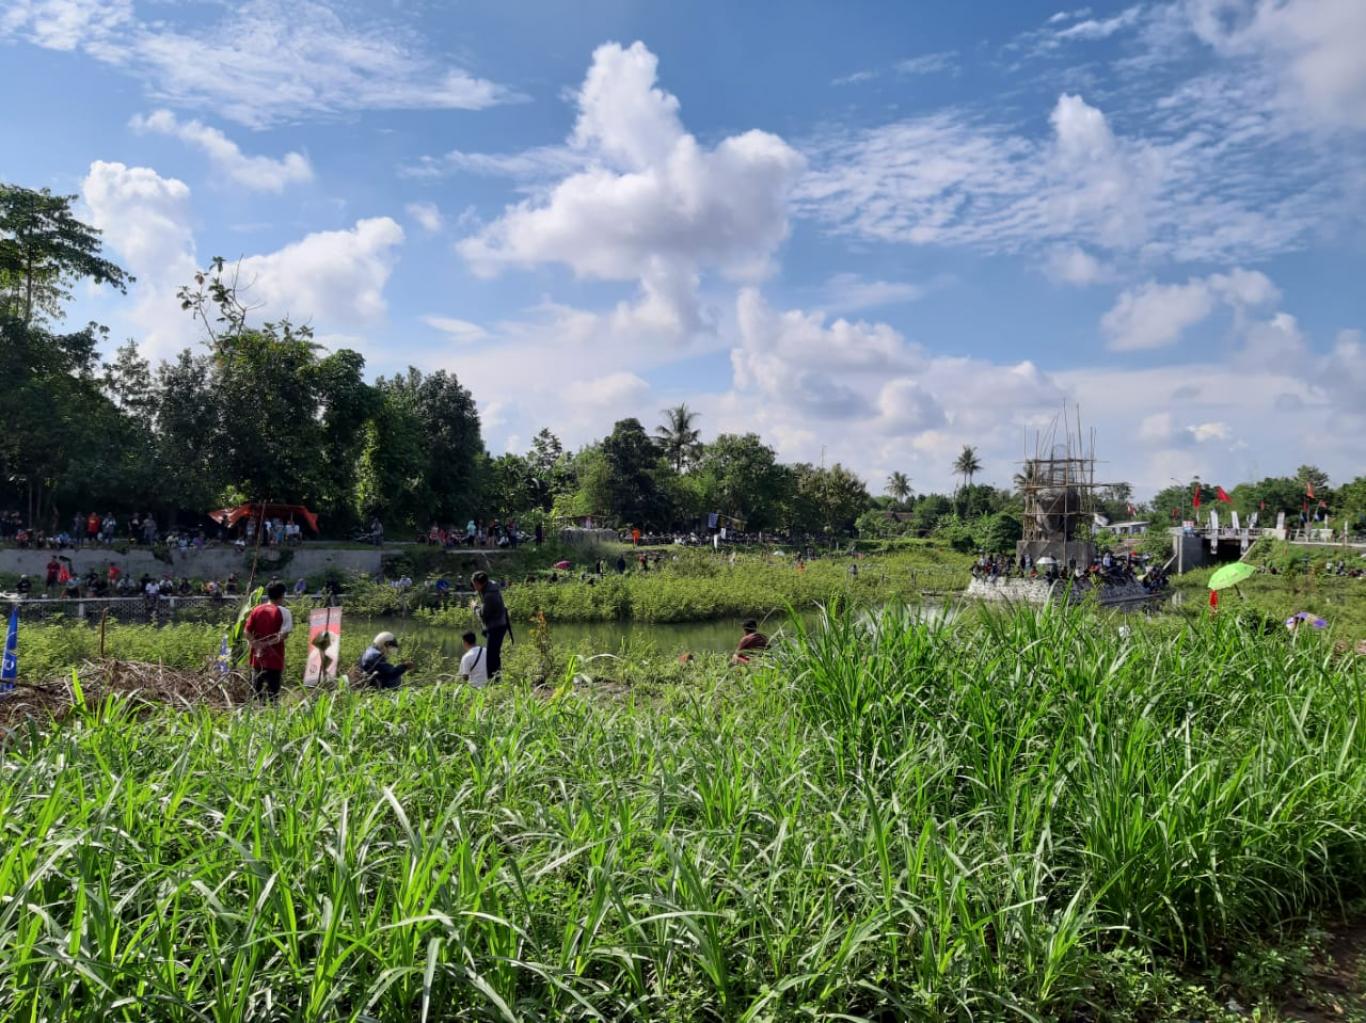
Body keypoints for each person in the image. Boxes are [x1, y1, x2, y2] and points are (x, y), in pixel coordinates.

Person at [244, 582, 289, 701]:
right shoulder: (284, 612)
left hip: (257, 659)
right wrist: (267, 644)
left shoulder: (256, 610)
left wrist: (256, 643)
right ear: (282, 595)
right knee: (273, 696)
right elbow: (283, 635)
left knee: (255, 694)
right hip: (275, 660)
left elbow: (246, 632)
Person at [471, 571, 510, 680]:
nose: (474, 587)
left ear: (479, 583)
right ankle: (496, 679)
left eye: (474, 584)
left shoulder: (489, 595)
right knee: (494, 654)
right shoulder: (490, 587)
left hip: (496, 627)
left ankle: (493, 681)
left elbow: (483, 614)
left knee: (491, 657)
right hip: (499, 625)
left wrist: (475, 607)